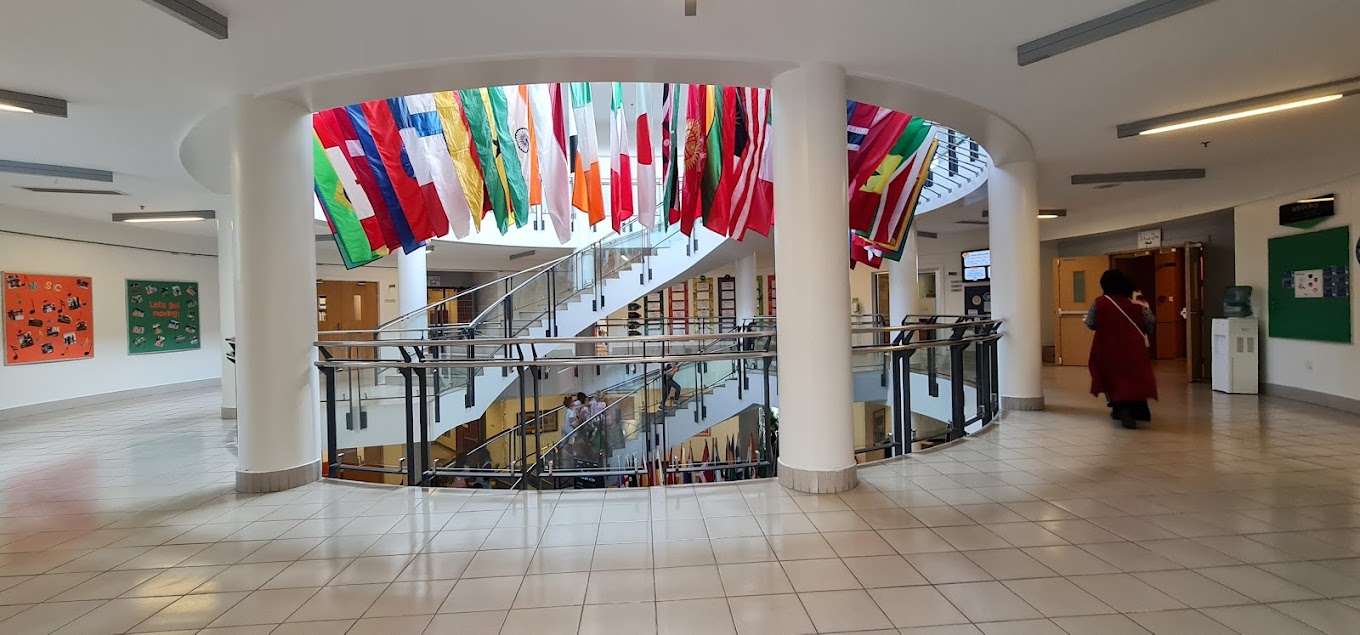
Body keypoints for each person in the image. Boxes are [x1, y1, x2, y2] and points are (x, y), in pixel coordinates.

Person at [1086, 270, 1157, 429]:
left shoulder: (1100, 302)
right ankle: (1138, 409)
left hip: (1107, 347)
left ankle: (1121, 409)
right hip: (1134, 347)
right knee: (1134, 378)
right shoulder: (1137, 298)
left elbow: (1091, 322)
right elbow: (1150, 322)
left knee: (1114, 378)